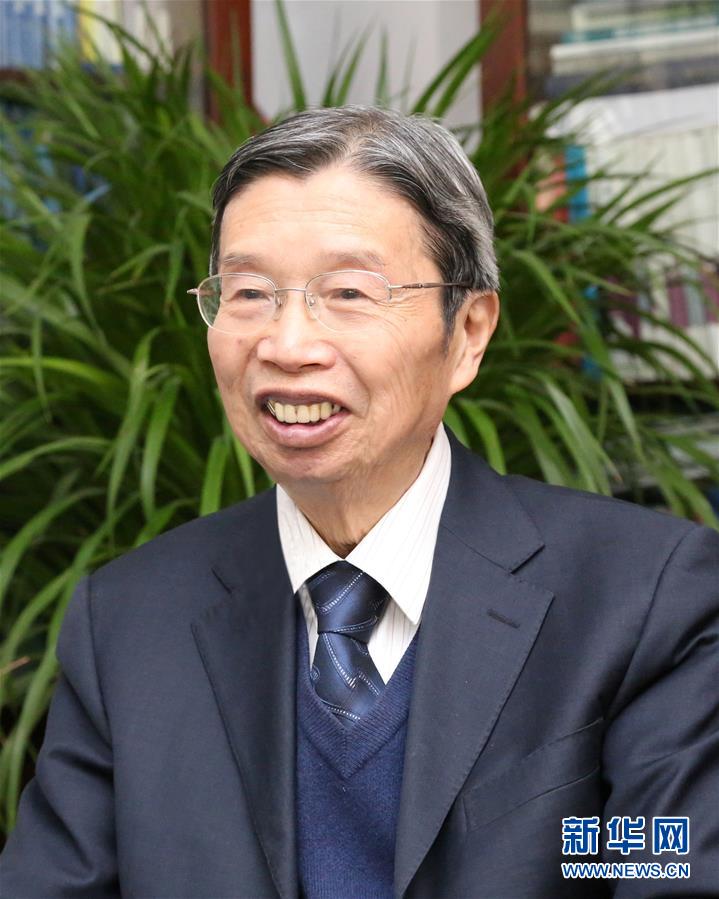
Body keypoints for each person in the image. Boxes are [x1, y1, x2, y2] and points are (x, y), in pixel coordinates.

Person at [1, 106, 717, 899]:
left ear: (468, 331)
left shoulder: (642, 600)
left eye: (347, 291)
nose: (288, 345)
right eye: (249, 292)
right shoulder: (128, 620)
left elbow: (665, 874)